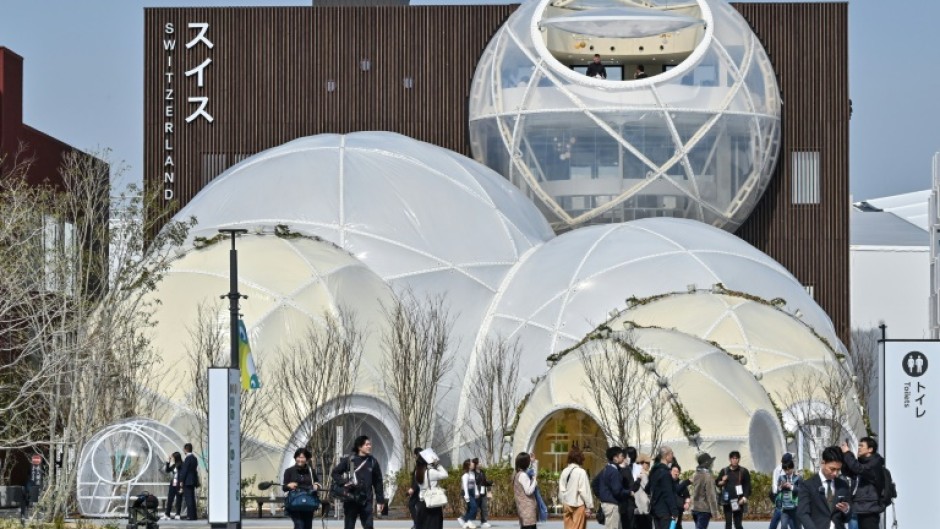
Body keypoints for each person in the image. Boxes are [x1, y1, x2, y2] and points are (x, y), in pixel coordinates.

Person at [330, 435, 386, 529]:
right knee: (349, 526)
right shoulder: (350, 460)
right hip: (351, 498)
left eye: (370, 444)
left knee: (369, 526)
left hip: (366, 500)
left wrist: (380, 500)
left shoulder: (372, 461)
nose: (369, 446)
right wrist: (343, 482)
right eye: (367, 444)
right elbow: (335, 473)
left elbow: (378, 482)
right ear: (359, 447)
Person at [797, 446, 851, 529]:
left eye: (838, 470)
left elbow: (847, 518)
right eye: (832, 469)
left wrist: (846, 510)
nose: (835, 473)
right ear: (823, 463)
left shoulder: (843, 485)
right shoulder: (808, 485)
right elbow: (802, 513)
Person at [840, 437, 885, 529]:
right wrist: (844, 456)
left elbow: (858, 468)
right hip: (859, 506)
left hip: (869, 508)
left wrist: (848, 453)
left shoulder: (875, 463)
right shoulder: (863, 463)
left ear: (870, 449)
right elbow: (848, 472)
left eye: (861, 446)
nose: (859, 448)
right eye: (859, 446)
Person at [282, 447, 322, 529]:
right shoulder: (289, 471)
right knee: (299, 525)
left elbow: (317, 483)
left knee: (308, 526)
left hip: (308, 503)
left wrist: (316, 486)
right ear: (295, 458)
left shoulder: (311, 471)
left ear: (306, 459)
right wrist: (289, 485)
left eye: (302, 457)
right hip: (294, 503)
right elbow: (284, 487)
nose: (300, 459)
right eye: (298, 457)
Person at [596, 447, 631, 529]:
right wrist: (628, 492)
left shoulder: (606, 469)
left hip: (607, 504)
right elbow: (617, 490)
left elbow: (595, 484)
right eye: (621, 455)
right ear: (615, 458)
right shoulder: (614, 471)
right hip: (611, 505)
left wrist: (602, 496)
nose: (623, 457)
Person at [559, 447, 593, 529]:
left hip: (566, 504)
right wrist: (589, 506)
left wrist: (563, 502)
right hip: (578, 505)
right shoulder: (581, 472)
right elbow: (584, 491)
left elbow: (561, 489)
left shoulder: (564, 471)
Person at [715, 451, 750, 529]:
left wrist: (744, 498)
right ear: (730, 459)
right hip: (727, 501)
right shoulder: (724, 470)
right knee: (728, 523)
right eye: (733, 458)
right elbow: (717, 483)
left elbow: (747, 486)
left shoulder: (743, 471)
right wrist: (723, 481)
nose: (735, 460)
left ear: (739, 459)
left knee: (738, 524)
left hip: (738, 501)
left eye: (736, 458)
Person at [646, 446, 678, 529]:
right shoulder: (665, 473)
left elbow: (647, 488)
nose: (673, 455)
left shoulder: (654, 471)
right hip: (665, 510)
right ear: (666, 456)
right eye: (671, 453)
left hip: (655, 509)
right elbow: (668, 493)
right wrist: (674, 511)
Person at [415, 450, 448, 529]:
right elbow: (445, 475)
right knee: (434, 525)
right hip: (432, 502)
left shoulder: (417, 472)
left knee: (423, 526)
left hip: (422, 503)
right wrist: (437, 465)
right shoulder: (431, 472)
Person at [689, 453, 718, 529]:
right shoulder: (708, 476)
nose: (712, 464)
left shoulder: (695, 475)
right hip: (704, 508)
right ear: (707, 463)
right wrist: (715, 512)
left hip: (695, 507)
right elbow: (711, 495)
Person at [513, 452, 539, 529]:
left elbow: (532, 473)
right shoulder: (523, 475)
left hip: (522, 509)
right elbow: (529, 491)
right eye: (528, 461)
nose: (529, 462)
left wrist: (533, 463)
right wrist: (535, 481)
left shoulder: (517, 474)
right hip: (528, 510)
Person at [768, 453, 794, 529]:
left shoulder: (792, 469)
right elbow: (774, 487)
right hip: (780, 500)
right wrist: (780, 488)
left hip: (790, 501)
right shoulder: (777, 470)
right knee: (777, 520)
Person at [774, 456, 801, 529]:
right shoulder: (781, 478)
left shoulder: (798, 478)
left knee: (797, 526)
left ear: (792, 468)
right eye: (785, 470)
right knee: (783, 526)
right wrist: (781, 487)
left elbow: (801, 491)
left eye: (788, 470)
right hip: (784, 508)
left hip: (795, 508)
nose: (786, 472)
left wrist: (791, 487)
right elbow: (777, 491)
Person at [178, 443, 199, 520]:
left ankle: (190, 516)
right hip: (192, 480)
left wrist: (181, 480)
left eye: (184, 449)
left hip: (187, 481)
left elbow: (185, 470)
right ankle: (194, 515)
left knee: (189, 499)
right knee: (192, 499)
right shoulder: (194, 458)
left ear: (186, 449)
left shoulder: (188, 458)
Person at [458, 459, 481, 529]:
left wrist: (476, 492)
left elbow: (475, 484)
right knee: (474, 507)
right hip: (466, 492)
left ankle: (464, 520)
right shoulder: (465, 475)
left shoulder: (472, 473)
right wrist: (466, 496)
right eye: (472, 463)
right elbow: (465, 486)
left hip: (471, 492)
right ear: (468, 465)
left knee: (470, 508)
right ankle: (468, 521)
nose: (473, 464)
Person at [618, 450, 637, 529]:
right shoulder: (626, 470)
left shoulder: (617, 469)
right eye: (628, 457)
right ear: (624, 458)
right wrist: (638, 480)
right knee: (629, 525)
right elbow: (632, 487)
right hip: (628, 503)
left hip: (621, 503)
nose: (629, 459)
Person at [161, 452, 183, 520]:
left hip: (179, 483)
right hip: (174, 482)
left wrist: (182, 484)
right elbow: (167, 470)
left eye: (173, 457)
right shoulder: (174, 465)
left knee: (179, 499)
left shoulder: (182, 464)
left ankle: (178, 513)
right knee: (170, 498)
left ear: (176, 457)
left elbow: (182, 474)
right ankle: (167, 514)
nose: (172, 458)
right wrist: (168, 462)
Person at [472, 458, 493, 528]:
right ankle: (467, 520)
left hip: (483, 492)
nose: (481, 463)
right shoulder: (472, 473)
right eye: (479, 462)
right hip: (475, 493)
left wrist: (490, 484)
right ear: (476, 464)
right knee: (474, 508)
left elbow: (484, 482)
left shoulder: (482, 472)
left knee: (484, 507)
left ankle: (484, 522)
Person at [634, 455, 652, 529]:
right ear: (642, 463)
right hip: (644, 508)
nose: (649, 465)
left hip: (637, 507)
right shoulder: (643, 475)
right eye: (647, 463)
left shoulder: (635, 473)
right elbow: (649, 489)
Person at [407, 448, 424, 529]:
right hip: (419, 489)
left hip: (418, 489)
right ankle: (418, 524)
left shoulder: (420, 463)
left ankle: (417, 524)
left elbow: (418, 478)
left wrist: (413, 488)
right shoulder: (422, 462)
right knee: (418, 506)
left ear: (415, 455)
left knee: (411, 505)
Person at [671, 464, 690, 529]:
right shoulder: (667, 483)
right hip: (668, 511)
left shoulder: (681, 483)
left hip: (679, 510)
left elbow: (687, 496)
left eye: (677, 472)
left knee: (678, 526)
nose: (676, 473)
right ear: (670, 471)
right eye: (674, 471)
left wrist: (687, 503)